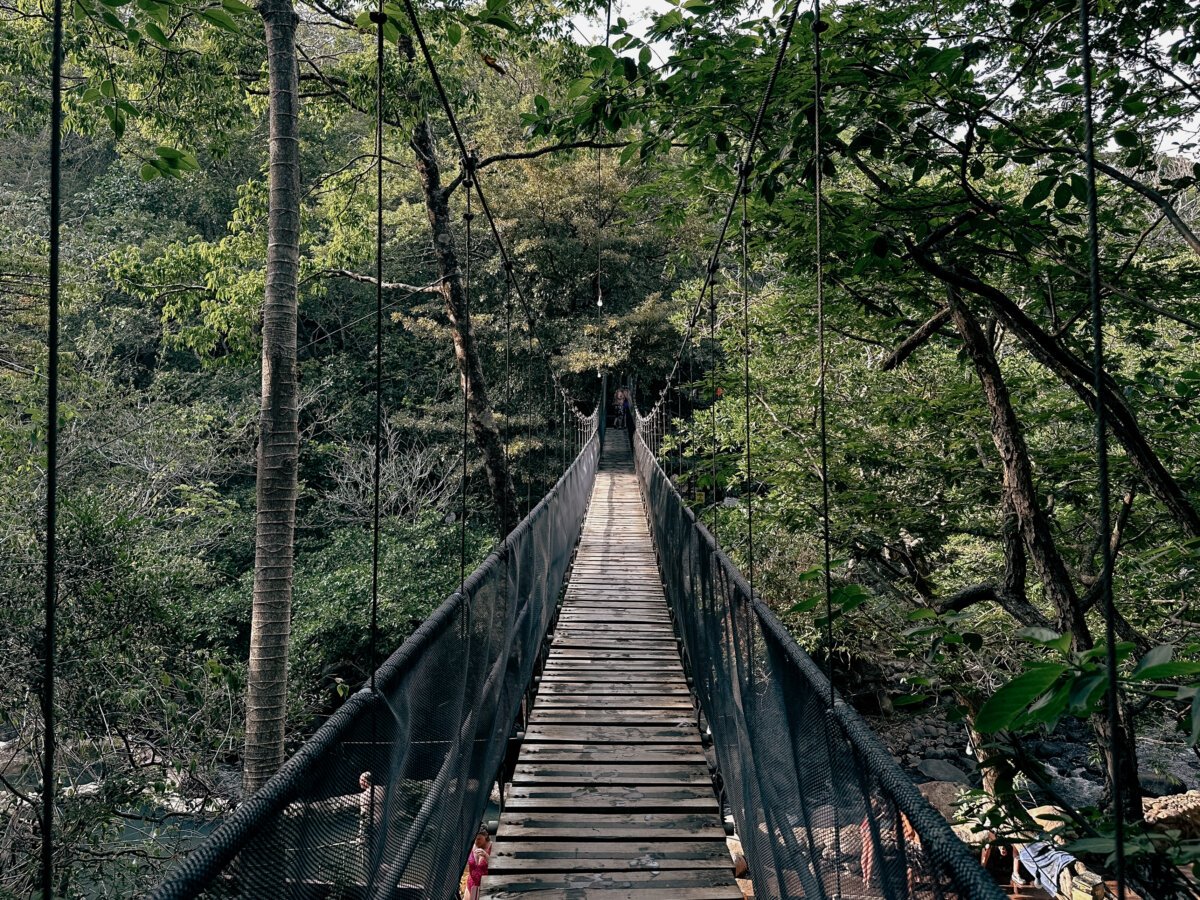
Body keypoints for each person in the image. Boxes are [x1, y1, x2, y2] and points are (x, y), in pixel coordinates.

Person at [465, 828, 491, 900]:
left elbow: (498, 866)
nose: (476, 841)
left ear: (486, 836)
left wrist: (486, 856)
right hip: (472, 884)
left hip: (487, 886)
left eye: (479, 839)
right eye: (475, 839)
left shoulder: (493, 847)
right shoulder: (470, 845)